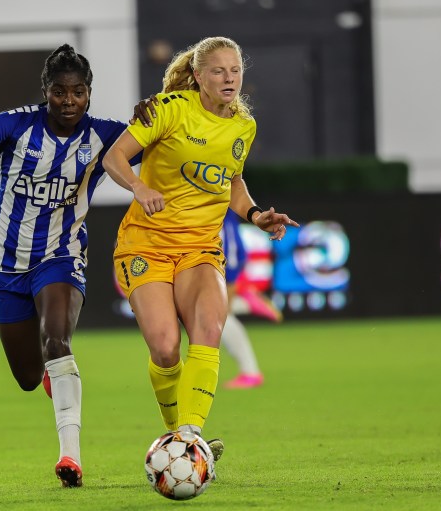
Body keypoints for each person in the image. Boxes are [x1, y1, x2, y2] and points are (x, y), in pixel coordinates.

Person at [0, 44, 143, 488]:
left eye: (77, 92)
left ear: (89, 94)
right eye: (59, 92)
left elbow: (160, 143)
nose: (68, 101)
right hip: (4, 263)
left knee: (57, 340)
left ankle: (69, 457)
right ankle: (54, 378)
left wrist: (153, 116)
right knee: (27, 377)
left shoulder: (105, 136)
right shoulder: (13, 124)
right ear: (46, 92)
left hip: (61, 254)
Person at [101, 36, 298, 463]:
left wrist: (255, 215)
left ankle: (190, 441)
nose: (228, 78)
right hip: (147, 244)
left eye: (235, 70)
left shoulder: (243, 126)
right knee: (166, 347)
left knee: (209, 328)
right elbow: (114, 158)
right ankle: (177, 434)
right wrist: (138, 186)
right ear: (197, 76)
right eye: (217, 71)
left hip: (201, 248)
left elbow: (232, 180)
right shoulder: (169, 110)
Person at [219, 208, 283, 390]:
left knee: (217, 315)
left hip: (220, 254)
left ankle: (250, 373)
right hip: (211, 253)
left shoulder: (212, 187)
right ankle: (246, 302)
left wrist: (230, 278)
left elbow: (228, 236)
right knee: (209, 314)